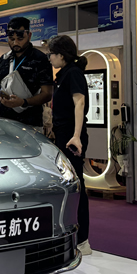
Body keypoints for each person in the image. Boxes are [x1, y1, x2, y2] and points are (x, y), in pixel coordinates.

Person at [47, 34, 91, 256]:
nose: (50, 58)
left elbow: (79, 102)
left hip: (72, 137)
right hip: (63, 135)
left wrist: (76, 136)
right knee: (68, 184)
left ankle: (83, 240)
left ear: (61, 55)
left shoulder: (73, 73)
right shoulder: (63, 74)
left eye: (51, 54)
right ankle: (71, 235)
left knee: (76, 185)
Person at [0, 17, 53, 130]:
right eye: (11, 39)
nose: (15, 43)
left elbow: (47, 94)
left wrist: (24, 102)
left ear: (29, 35)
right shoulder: (4, 59)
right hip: (4, 122)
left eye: (20, 38)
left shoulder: (40, 59)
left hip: (30, 123)